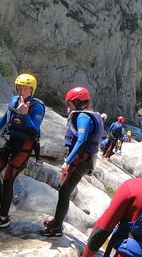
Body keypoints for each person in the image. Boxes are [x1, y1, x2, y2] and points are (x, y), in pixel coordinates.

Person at [0, 72, 45, 229]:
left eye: (25, 88)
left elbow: (34, 132)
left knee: (8, 179)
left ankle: (4, 217)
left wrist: (25, 114)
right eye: (19, 88)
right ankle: (0, 205)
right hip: (10, 142)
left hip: (24, 146)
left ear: (32, 90)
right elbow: (5, 118)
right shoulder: (14, 100)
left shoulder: (37, 107)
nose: (21, 91)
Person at [41, 87, 103, 238]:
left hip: (80, 161)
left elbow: (81, 141)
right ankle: (56, 222)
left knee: (64, 191)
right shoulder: (86, 115)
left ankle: (56, 227)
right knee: (64, 190)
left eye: (70, 104)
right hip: (81, 160)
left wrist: (67, 162)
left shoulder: (83, 117)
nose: (68, 108)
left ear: (78, 102)